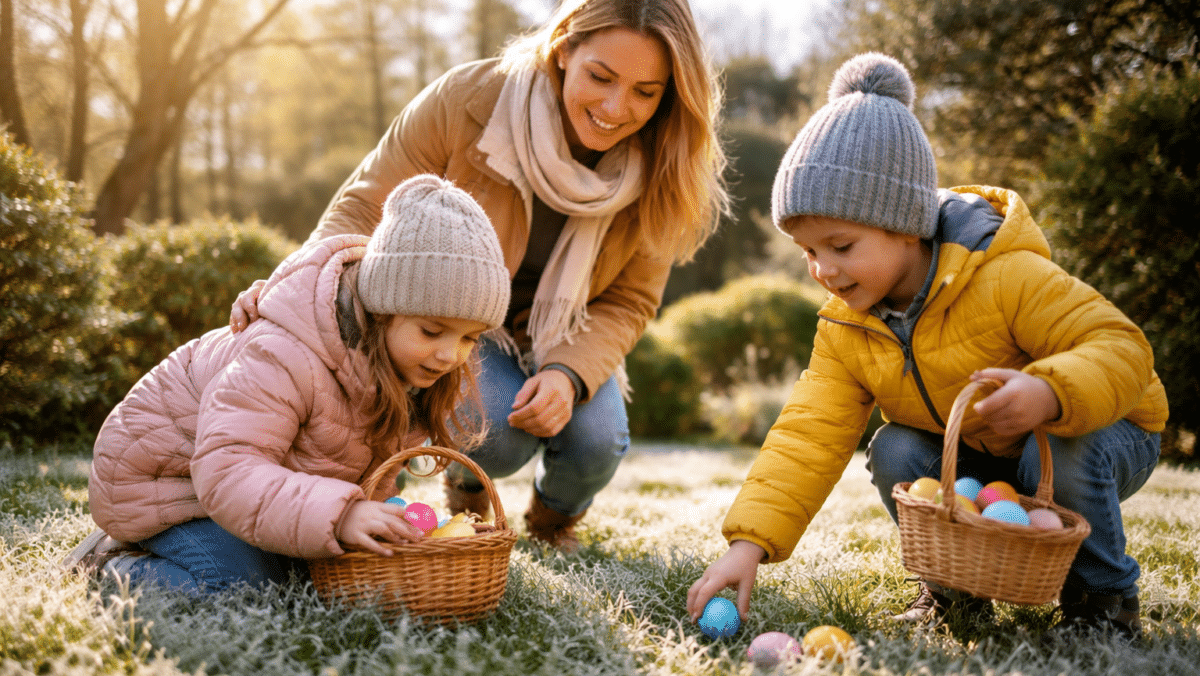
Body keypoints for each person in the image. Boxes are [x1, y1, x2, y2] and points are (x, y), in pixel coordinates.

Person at [685, 53, 1168, 640]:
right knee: (896, 451)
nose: (823, 270)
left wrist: (1050, 392)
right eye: (808, 252)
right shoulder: (847, 326)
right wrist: (748, 546)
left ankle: (1104, 600)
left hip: (1104, 429)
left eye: (840, 246)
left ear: (906, 224)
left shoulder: (1005, 275)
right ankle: (953, 592)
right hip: (984, 459)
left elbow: (1121, 345)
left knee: (1064, 448)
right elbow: (807, 434)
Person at [229, 0, 729, 553]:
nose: (616, 107)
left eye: (645, 91)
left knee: (597, 440)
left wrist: (567, 373)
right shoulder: (468, 101)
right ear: (564, 50)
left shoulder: (664, 159)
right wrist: (291, 285)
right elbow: (362, 210)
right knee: (494, 432)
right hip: (463, 324)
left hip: (568, 328)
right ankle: (467, 486)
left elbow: (630, 299)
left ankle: (552, 520)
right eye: (601, 77)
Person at [66, 175, 512, 594]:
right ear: (380, 311)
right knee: (244, 584)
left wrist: (375, 528)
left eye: (469, 337)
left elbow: (367, 469)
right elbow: (229, 468)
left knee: (313, 574)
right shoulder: (285, 354)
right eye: (432, 332)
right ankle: (108, 564)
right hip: (169, 490)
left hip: (240, 495)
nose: (450, 355)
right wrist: (342, 515)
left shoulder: (410, 369)